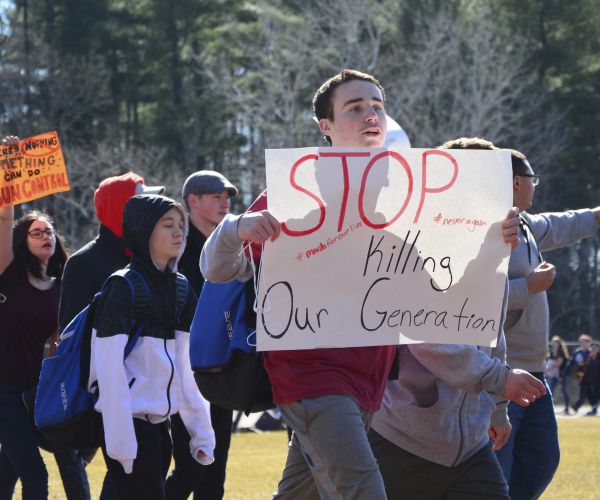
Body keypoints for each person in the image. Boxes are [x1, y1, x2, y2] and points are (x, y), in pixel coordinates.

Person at [200, 70, 523, 499]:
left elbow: (435, 290)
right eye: (354, 108)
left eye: (377, 106)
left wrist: (490, 242)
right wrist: (235, 228)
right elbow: (217, 270)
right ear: (326, 126)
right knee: (363, 492)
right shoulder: (295, 190)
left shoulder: (404, 196)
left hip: (368, 386)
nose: (371, 115)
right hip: (311, 379)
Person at [365, 136, 546, 499]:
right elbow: (425, 336)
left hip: (470, 450)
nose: (505, 198)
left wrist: (497, 409)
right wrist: (499, 379)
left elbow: (492, 333)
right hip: (401, 439)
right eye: (491, 184)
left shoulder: (493, 248)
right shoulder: (414, 244)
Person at [91, 194, 215, 499]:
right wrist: (121, 442)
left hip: (162, 426)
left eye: (181, 225)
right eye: (167, 225)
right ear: (143, 229)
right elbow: (108, 370)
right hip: (129, 427)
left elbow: (186, 368)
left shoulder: (181, 287)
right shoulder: (121, 286)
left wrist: (201, 433)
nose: (179, 232)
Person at [495, 149, 600, 499]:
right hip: (503, 373)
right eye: (532, 180)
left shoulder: (525, 224)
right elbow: (470, 300)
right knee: (499, 469)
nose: (534, 187)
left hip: (535, 371)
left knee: (541, 460)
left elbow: (562, 223)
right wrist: (527, 287)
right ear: (516, 182)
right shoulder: (488, 230)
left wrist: (596, 217)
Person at [58, 171, 164, 499]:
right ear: (122, 208)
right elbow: (72, 335)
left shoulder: (149, 259)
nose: (151, 209)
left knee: (139, 476)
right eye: (141, 200)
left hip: (150, 389)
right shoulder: (83, 263)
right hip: (108, 392)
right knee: (130, 477)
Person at [0, 140, 68, 499]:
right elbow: (4, 216)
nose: (46, 236)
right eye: (37, 232)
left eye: (50, 232)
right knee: (36, 475)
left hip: (32, 392)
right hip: (3, 388)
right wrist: (10, 166)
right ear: (22, 240)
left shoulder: (59, 288)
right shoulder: (8, 274)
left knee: (6, 470)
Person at [165, 170, 238, 500]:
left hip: (222, 370)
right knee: (190, 469)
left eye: (226, 198)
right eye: (216, 197)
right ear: (192, 201)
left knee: (215, 473)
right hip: (183, 371)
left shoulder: (232, 245)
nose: (225, 204)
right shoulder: (175, 248)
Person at [568, 333, 593, 413]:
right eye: (581, 342)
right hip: (581, 375)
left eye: (585, 342)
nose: (583, 344)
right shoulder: (577, 352)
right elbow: (571, 363)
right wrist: (566, 371)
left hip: (590, 376)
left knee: (585, 391)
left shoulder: (591, 352)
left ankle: (577, 406)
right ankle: (593, 406)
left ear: (588, 343)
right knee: (587, 391)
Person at [545, 335, 571, 414]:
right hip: (552, 376)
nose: (554, 345)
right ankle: (549, 408)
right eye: (553, 343)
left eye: (556, 343)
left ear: (559, 344)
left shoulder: (561, 353)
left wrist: (549, 368)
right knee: (549, 391)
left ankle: (567, 409)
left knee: (565, 391)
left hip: (561, 375)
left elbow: (558, 364)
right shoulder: (551, 353)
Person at [579, 340, 600, 416]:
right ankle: (594, 409)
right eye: (592, 348)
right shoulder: (590, 358)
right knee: (591, 395)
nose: (593, 350)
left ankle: (594, 409)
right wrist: (582, 379)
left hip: (598, 381)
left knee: (596, 395)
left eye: (595, 348)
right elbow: (586, 370)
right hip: (592, 381)